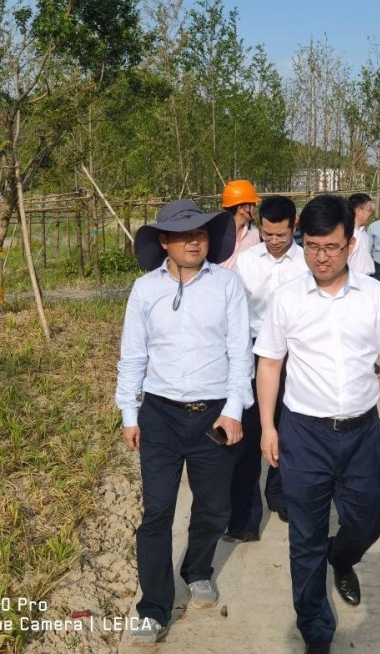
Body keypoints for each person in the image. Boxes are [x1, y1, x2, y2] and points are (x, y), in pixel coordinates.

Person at [254, 195, 380, 654]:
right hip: (304, 434)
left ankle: (342, 558)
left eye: (332, 246)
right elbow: (269, 364)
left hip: (363, 431)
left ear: (350, 244)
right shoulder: (286, 299)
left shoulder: (373, 296)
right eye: (312, 246)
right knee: (304, 537)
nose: (321, 256)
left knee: (367, 522)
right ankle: (316, 631)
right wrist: (269, 427)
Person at [115, 199, 253, 645]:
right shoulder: (144, 290)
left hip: (213, 415)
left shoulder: (227, 285)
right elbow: (133, 355)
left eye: (202, 232)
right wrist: (129, 413)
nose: (195, 240)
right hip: (159, 415)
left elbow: (240, 353)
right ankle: (154, 605)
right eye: (184, 233)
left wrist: (234, 409)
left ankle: (197, 569)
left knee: (214, 507)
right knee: (157, 511)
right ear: (164, 242)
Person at [227, 195, 309, 542]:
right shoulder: (245, 262)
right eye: (267, 234)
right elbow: (232, 311)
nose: (274, 241)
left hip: (293, 355)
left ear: (295, 226)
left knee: (287, 428)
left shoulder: (306, 263)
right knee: (248, 433)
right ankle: (245, 518)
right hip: (254, 351)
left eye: (282, 235)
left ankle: (281, 495)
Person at [219, 179, 261, 269]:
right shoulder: (218, 233)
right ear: (241, 209)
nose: (255, 209)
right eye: (253, 205)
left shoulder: (254, 232)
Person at [346, 192, 375, 276]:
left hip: (367, 280)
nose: (370, 214)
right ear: (358, 211)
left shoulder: (364, 233)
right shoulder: (347, 233)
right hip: (353, 280)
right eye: (369, 210)